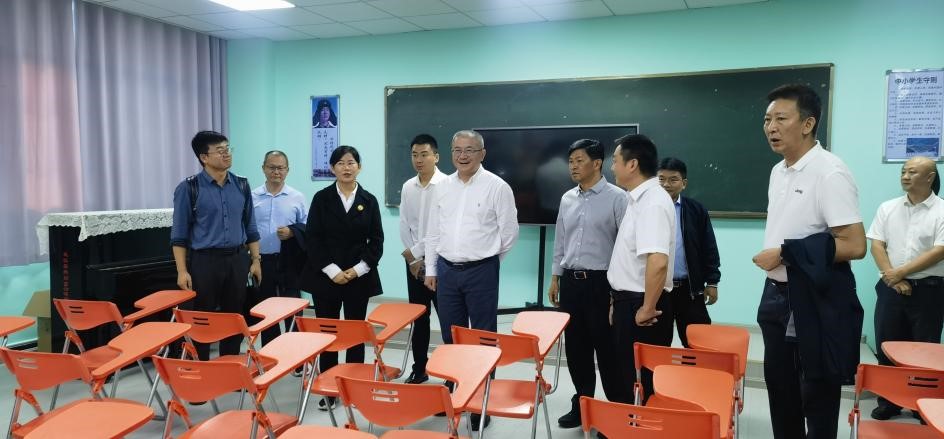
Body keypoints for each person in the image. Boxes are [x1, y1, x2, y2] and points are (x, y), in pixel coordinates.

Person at [752, 84, 866, 439]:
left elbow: (855, 244)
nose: (771, 127)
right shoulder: (778, 171)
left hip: (813, 300)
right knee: (780, 391)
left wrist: (786, 253)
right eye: (767, 119)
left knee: (816, 396)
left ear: (807, 124)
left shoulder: (829, 172)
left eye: (780, 118)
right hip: (775, 294)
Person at [424, 129, 519, 430]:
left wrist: (487, 262)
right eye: (457, 150)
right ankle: (454, 393)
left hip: (481, 271)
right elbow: (433, 231)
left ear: (482, 153)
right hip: (446, 271)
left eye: (470, 150)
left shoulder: (497, 187)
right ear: (451, 153)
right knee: (450, 337)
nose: (463, 156)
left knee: (482, 338)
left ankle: (480, 401)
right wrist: (431, 269)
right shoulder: (442, 187)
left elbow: (509, 233)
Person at [548, 139, 627, 428]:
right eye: (570, 161)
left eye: (579, 161)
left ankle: (616, 411)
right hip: (572, 282)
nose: (573, 166)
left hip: (602, 283)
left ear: (597, 163)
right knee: (576, 349)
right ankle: (582, 405)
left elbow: (624, 246)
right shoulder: (567, 198)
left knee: (608, 349)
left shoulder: (618, 198)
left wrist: (617, 290)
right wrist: (555, 276)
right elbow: (561, 240)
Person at [298, 145, 383, 410]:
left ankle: (354, 386)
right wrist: (332, 270)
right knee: (328, 333)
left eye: (351, 162)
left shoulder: (369, 200)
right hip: (326, 277)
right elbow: (313, 239)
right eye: (341, 163)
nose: (346, 168)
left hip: (359, 277)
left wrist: (358, 269)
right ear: (332, 168)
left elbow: (377, 241)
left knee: (355, 333)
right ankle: (329, 388)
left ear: (359, 167)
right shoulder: (321, 198)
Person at [170, 130, 262, 360]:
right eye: (220, 151)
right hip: (204, 261)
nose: (226, 154)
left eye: (227, 149)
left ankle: (229, 365)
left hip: (237, 259)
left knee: (234, 316)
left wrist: (255, 260)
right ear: (204, 157)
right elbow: (179, 235)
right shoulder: (189, 188)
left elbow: (250, 225)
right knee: (202, 317)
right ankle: (201, 367)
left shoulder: (241, 185)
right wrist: (182, 271)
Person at [867, 156, 944, 421]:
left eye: (912, 172)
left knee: (925, 350)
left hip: (929, 290)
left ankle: (921, 404)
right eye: (903, 171)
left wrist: (900, 272)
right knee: (887, 344)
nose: (905, 176)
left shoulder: (941, 210)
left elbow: (940, 251)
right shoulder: (888, 208)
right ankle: (888, 402)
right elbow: (877, 245)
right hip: (891, 288)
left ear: (930, 177)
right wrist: (894, 279)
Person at [606, 133, 676, 405]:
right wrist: (617, 300)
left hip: (643, 306)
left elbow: (658, 261)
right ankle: (630, 423)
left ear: (632, 164)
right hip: (629, 301)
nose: (612, 167)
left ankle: (641, 425)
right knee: (627, 376)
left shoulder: (653, 202)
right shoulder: (637, 199)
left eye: (615, 160)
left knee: (641, 382)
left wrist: (647, 308)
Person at [398, 134, 447, 385]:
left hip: (440, 261)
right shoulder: (408, 186)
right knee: (419, 317)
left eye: (424, 154)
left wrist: (415, 253)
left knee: (448, 320)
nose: (419, 159)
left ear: (436, 156)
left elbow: (440, 229)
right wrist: (413, 260)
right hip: (414, 264)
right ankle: (420, 368)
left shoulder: (447, 185)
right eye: (414, 155)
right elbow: (404, 224)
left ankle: (451, 374)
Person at [657, 157, 721, 347]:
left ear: (683, 183)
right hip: (658, 290)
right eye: (661, 179)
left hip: (689, 290)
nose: (666, 184)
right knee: (658, 343)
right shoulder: (647, 210)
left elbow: (709, 247)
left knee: (698, 344)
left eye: (673, 179)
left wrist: (712, 281)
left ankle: (695, 368)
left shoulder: (696, 210)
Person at [249, 150, 308, 346]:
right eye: (272, 167)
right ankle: (270, 350)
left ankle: (295, 350)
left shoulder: (297, 197)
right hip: (261, 260)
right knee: (266, 308)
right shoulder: (252, 197)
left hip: (289, 261)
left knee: (293, 306)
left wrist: (292, 232)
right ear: (263, 168)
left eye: (281, 168)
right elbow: (245, 227)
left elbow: (307, 227)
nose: (276, 172)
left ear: (288, 170)